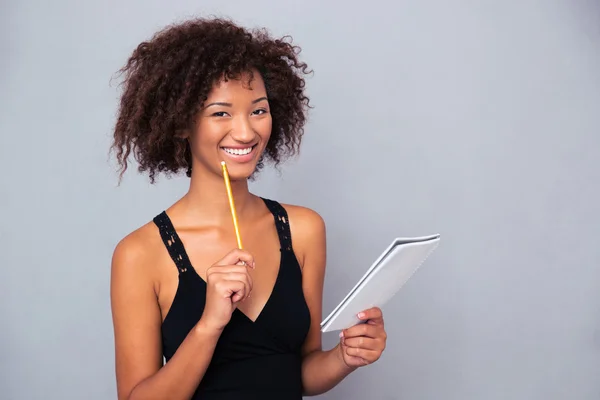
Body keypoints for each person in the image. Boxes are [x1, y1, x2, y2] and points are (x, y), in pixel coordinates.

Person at [109, 17, 387, 400]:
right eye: (221, 113)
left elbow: (298, 372)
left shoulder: (303, 230)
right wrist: (209, 325)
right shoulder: (139, 254)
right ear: (179, 124)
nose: (245, 132)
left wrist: (345, 356)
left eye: (258, 110)